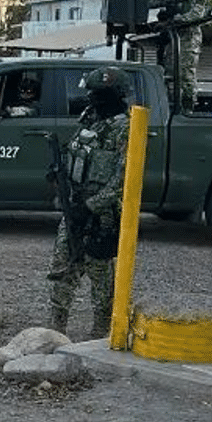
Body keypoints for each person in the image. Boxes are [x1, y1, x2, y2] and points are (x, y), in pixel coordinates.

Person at [47, 66, 131, 338]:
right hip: (75, 207)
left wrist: (91, 207)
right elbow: (77, 153)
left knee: (100, 275)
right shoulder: (89, 119)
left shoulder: (125, 129)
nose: (92, 98)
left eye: (98, 93)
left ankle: (101, 333)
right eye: (91, 92)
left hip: (102, 216)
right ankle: (55, 329)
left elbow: (122, 181)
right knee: (62, 267)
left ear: (114, 95)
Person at [151, 0, 212, 110]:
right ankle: (171, 104)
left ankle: (188, 108)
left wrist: (171, 22)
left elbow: (196, 15)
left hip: (188, 38)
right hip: (174, 38)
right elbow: (162, 1)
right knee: (169, 72)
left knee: (185, 74)